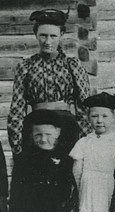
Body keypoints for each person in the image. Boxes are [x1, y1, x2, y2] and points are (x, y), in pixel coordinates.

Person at [7, 8, 92, 155]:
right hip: (35, 128)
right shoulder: (26, 66)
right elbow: (17, 108)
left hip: (66, 128)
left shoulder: (72, 65)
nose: (48, 41)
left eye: (53, 36)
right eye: (43, 36)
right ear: (36, 35)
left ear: (62, 35)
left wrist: (85, 143)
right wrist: (16, 143)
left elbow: (83, 106)